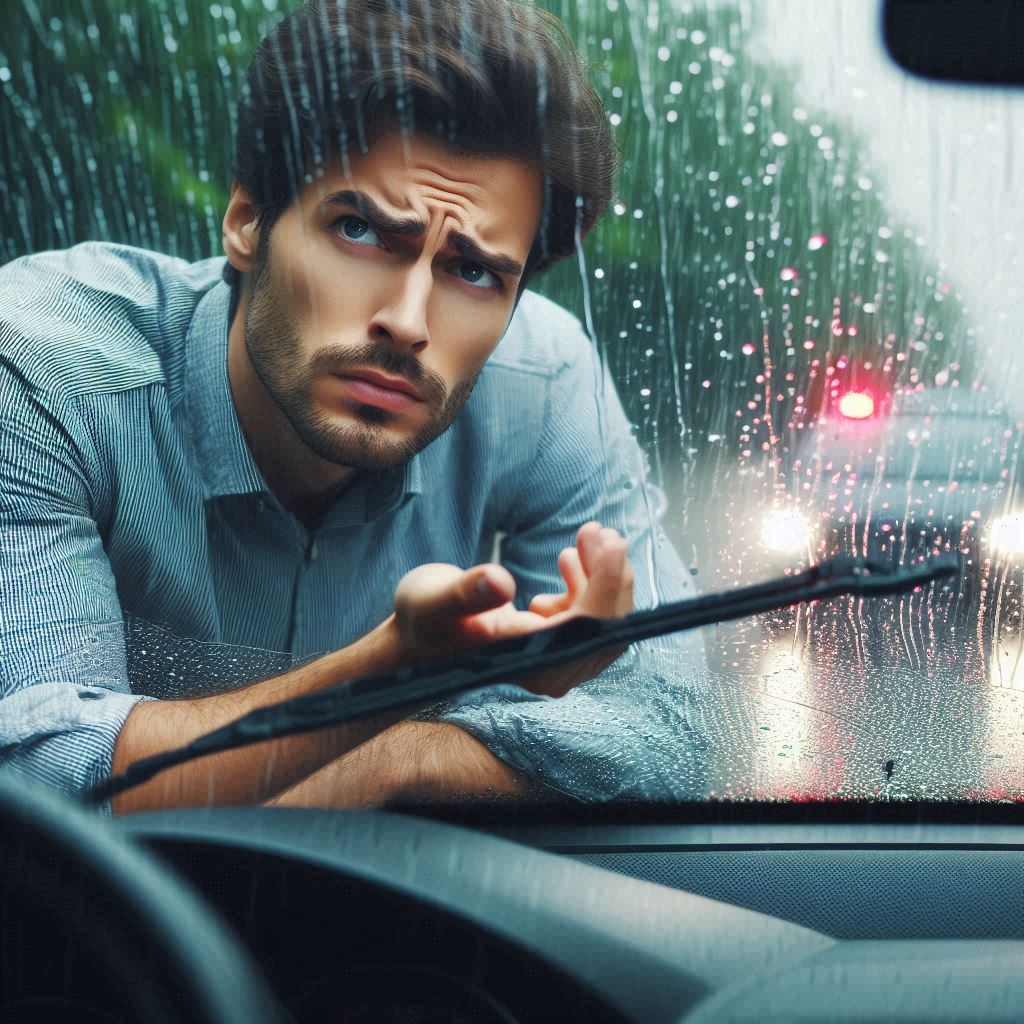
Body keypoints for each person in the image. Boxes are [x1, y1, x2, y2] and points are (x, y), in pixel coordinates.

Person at [0, 0, 705, 815]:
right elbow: (42, 781)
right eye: (362, 232)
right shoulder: (43, 365)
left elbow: (673, 727)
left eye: (474, 272)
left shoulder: (544, 383)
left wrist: (399, 757)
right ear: (247, 221)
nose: (408, 323)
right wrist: (401, 674)